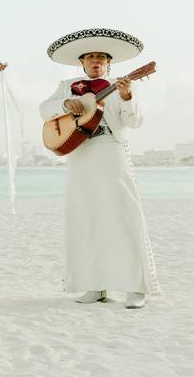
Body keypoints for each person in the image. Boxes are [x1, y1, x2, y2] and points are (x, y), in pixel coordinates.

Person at [39, 28, 159, 309]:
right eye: (90, 57)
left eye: (101, 58)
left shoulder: (122, 85)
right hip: (79, 152)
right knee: (86, 217)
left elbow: (135, 122)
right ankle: (95, 284)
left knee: (123, 217)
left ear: (109, 63)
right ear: (81, 62)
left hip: (111, 151)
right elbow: (44, 110)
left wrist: (128, 96)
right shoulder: (68, 85)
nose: (96, 62)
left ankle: (135, 287)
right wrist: (63, 103)